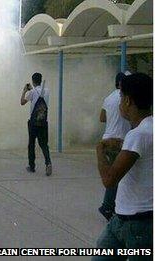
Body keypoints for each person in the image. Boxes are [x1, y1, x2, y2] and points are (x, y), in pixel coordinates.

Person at [93, 73, 152, 260]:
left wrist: (99, 149)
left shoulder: (138, 135)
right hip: (122, 219)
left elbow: (109, 180)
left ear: (127, 101)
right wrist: (121, 143)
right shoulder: (145, 129)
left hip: (138, 225)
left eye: (120, 98)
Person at [98, 72, 132, 221]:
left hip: (108, 139)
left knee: (116, 174)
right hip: (120, 141)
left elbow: (102, 118)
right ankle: (107, 206)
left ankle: (110, 206)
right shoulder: (126, 99)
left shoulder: (108, 98)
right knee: (117, 176)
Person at [20, 72, 52, 176]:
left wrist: (25, 90)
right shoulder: (46, 91)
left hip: (33, 123)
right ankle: (48, 162)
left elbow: (22, 102)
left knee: (31, 144)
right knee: (44, 144)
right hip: (43, 122)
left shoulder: (32, 92)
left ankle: (32, 166)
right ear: (41, 79)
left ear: (33, 81)